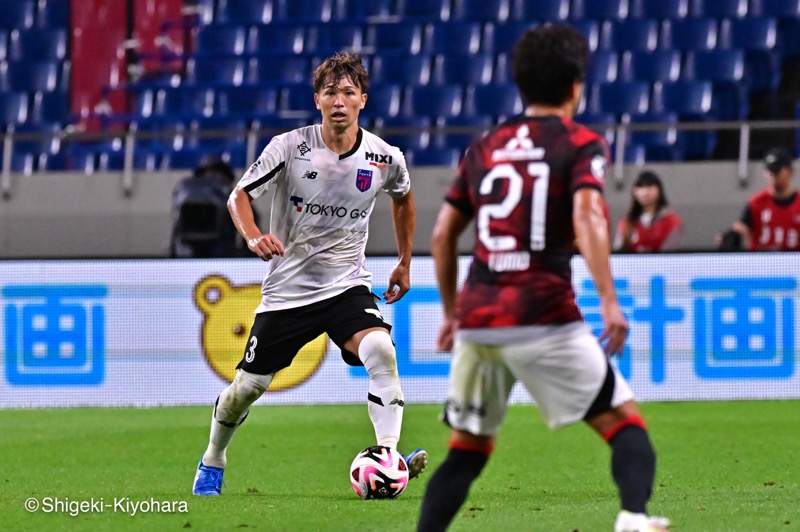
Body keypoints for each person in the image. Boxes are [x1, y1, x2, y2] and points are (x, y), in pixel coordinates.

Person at [418, 25, 668, 532]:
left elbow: (442, 237)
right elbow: (589, 217)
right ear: (577, 84)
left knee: (465, 453)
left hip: (480, 320)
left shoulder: (485, 146)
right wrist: (610, 302)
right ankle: (634, 518)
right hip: (543, 316)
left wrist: (451, 314)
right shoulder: (580, 142)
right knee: (625, 425)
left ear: (518, 82)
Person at [192, 52, 427, 496]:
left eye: (349, 93)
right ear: (317, 99)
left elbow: (404, 197)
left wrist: (405, 259)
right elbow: (238, 196)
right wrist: (252, 235)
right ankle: (213, 458)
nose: (340, 101)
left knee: (380, 349)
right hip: (289, 292)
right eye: (331, 92)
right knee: (247, 387)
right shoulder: (289, 147)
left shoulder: (383, 157)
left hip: (346, 285)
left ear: (363, 100)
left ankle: (389, 456)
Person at [725, 147, 800, 251]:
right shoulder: (757, 202)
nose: (772, 176)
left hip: (794, 262)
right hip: (762, 262)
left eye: (777, 172)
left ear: (790, 171)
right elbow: (743, 226)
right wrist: (732, 236)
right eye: (769, 172)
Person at [613, 170, 683, 253]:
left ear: (659, 190)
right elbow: (618, 253)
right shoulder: (626, 222)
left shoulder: (671, 220)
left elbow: (670, 254)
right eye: (640, 187)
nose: (644, 192)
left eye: (649, 187)